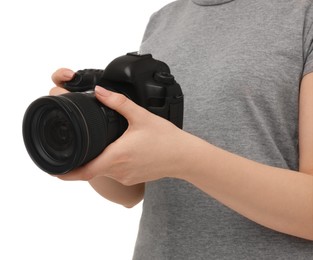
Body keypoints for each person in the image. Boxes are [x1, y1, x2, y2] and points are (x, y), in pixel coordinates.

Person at [49, 0, 313, 259]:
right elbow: (129, 193)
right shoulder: (163, 20)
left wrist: (185, 159)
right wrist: (88, 134)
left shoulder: (304, 13)